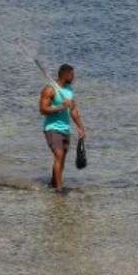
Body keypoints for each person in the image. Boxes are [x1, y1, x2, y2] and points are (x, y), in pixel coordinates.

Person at [39, 63, 85, 193]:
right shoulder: (49, 90)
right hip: (52, 128)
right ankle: (59, 190)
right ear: (65, 75)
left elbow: (73, 110)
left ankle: (54, 184)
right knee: (59, 155)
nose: (74, 77)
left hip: (65, 129)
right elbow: (42, 110)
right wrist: (61, 107)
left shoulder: (69, 90)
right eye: (72, 74)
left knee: (62, 158)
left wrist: (81, 127)